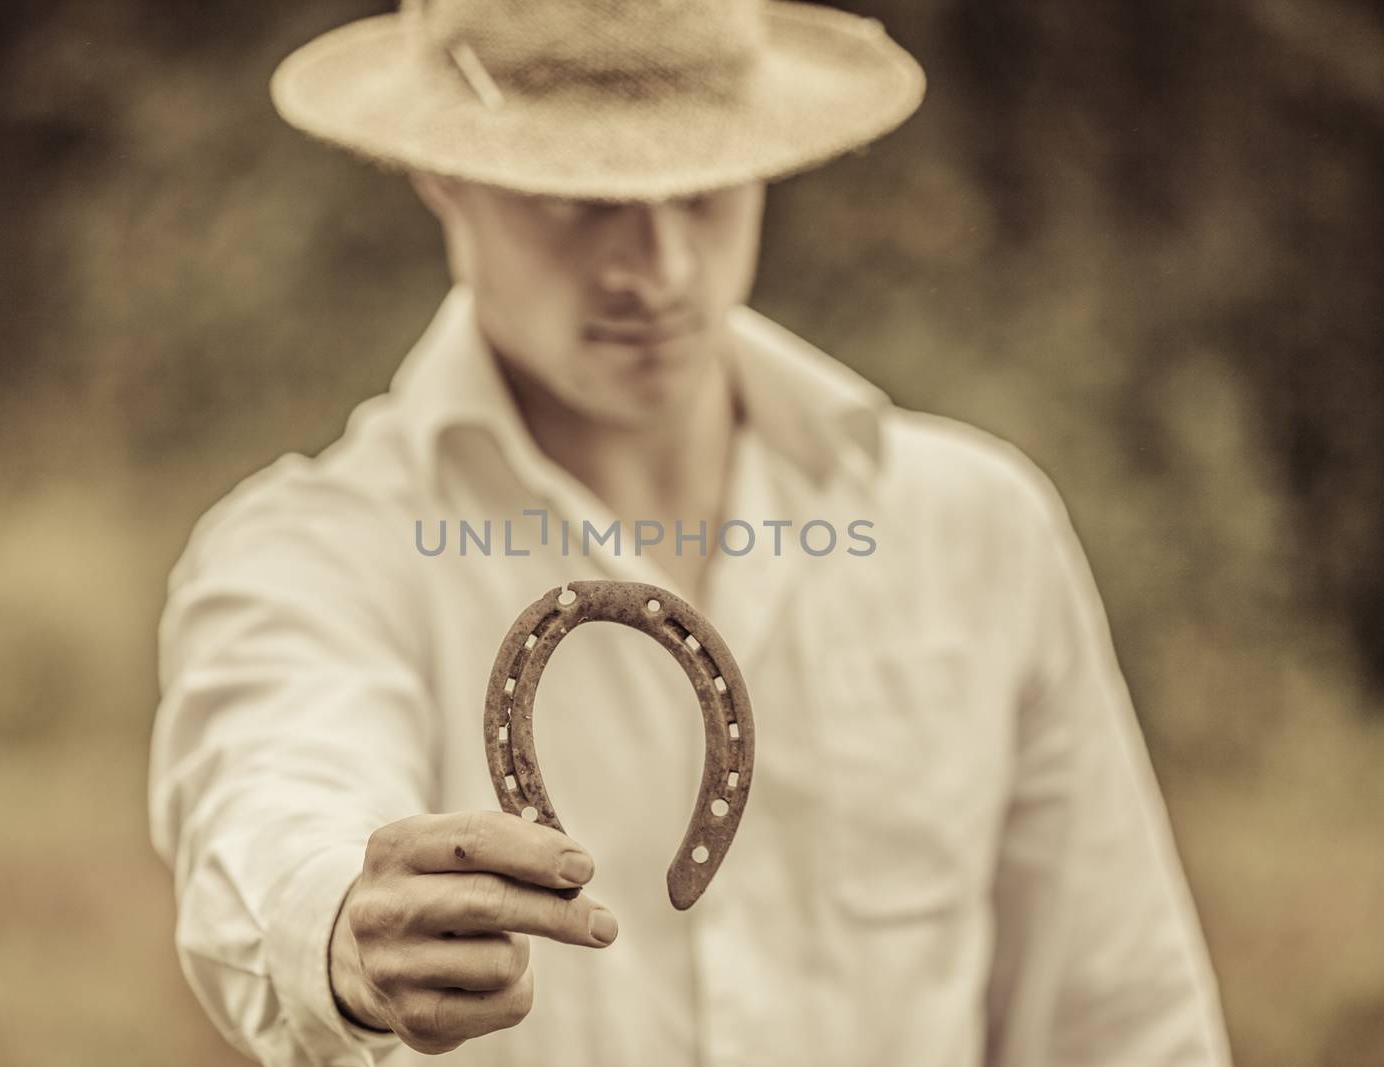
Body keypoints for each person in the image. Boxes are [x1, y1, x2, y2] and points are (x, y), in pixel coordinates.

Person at [148, 1, 1233, 1064]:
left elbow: (1117, 1009)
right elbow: (273, 792)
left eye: (704, 188)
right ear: (444, 174)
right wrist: (345, 925)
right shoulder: (310, 552)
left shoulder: (974, 528)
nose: (657, 267)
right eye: (579, 198)